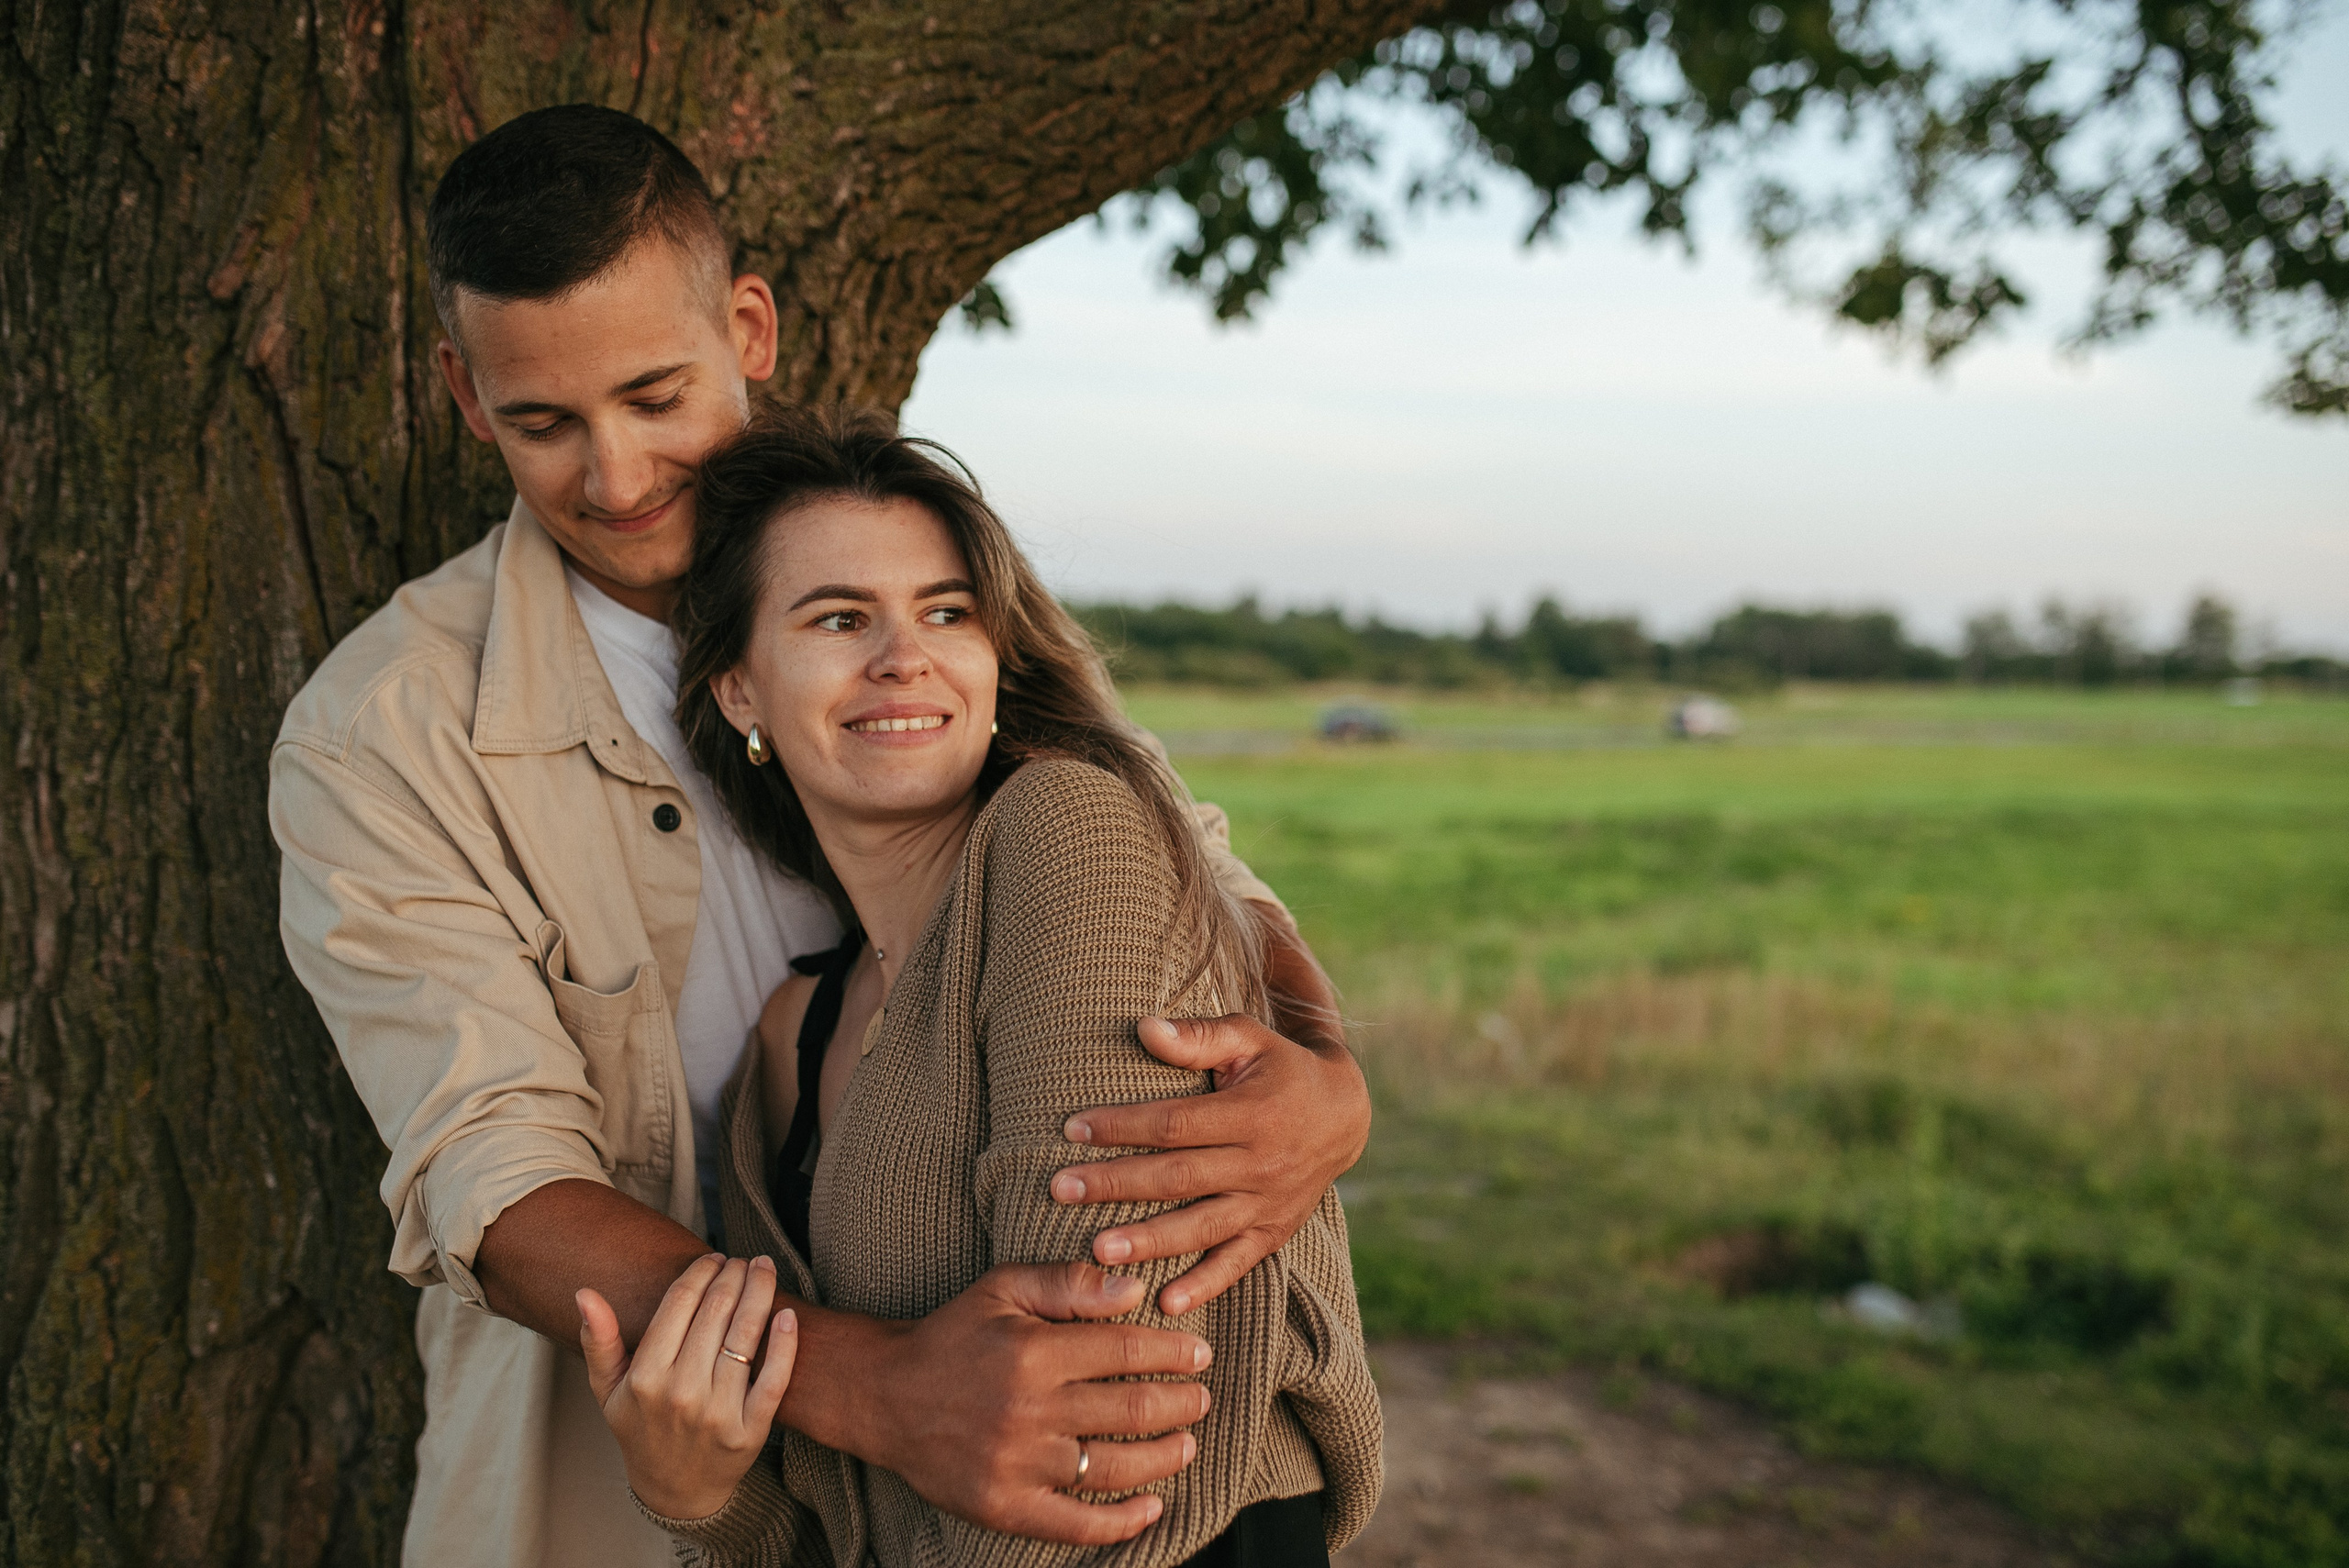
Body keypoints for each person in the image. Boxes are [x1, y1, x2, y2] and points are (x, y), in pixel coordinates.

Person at [269, 105, 1371, 1568]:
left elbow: (1183, 864)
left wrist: (1332, 1085)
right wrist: (884, 1391)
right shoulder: (382, 733)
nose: (615, 475)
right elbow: (499, 1175)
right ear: (468, 400)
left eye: (658, 393)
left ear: (750, 327)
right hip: (632, 1492)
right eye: (544, 423)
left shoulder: (915, 577)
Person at [580, 406, 1380, 1567]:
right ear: (740, 692)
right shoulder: (787, 1040)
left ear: (995, 661)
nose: (904, 655)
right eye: (839, 617)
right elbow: (815, 1522)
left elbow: (1108, 1414)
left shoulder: (1071, 836)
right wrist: (689, 1487)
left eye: (946, 612)